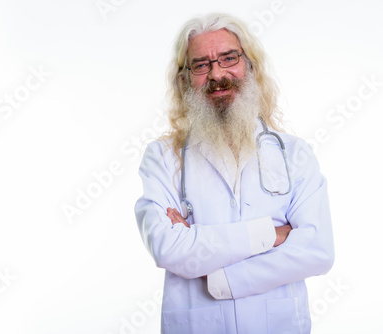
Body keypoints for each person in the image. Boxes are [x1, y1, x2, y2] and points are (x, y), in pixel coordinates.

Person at [134, 13, 335, 334]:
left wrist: (217, 276)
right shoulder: (162, 158)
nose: (217, 74)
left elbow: (317, 251)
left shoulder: (295, 154)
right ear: (184, 80)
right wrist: (272, 235)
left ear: (250, 66)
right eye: (200, 65)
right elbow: (167, 248)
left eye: (229, 58)